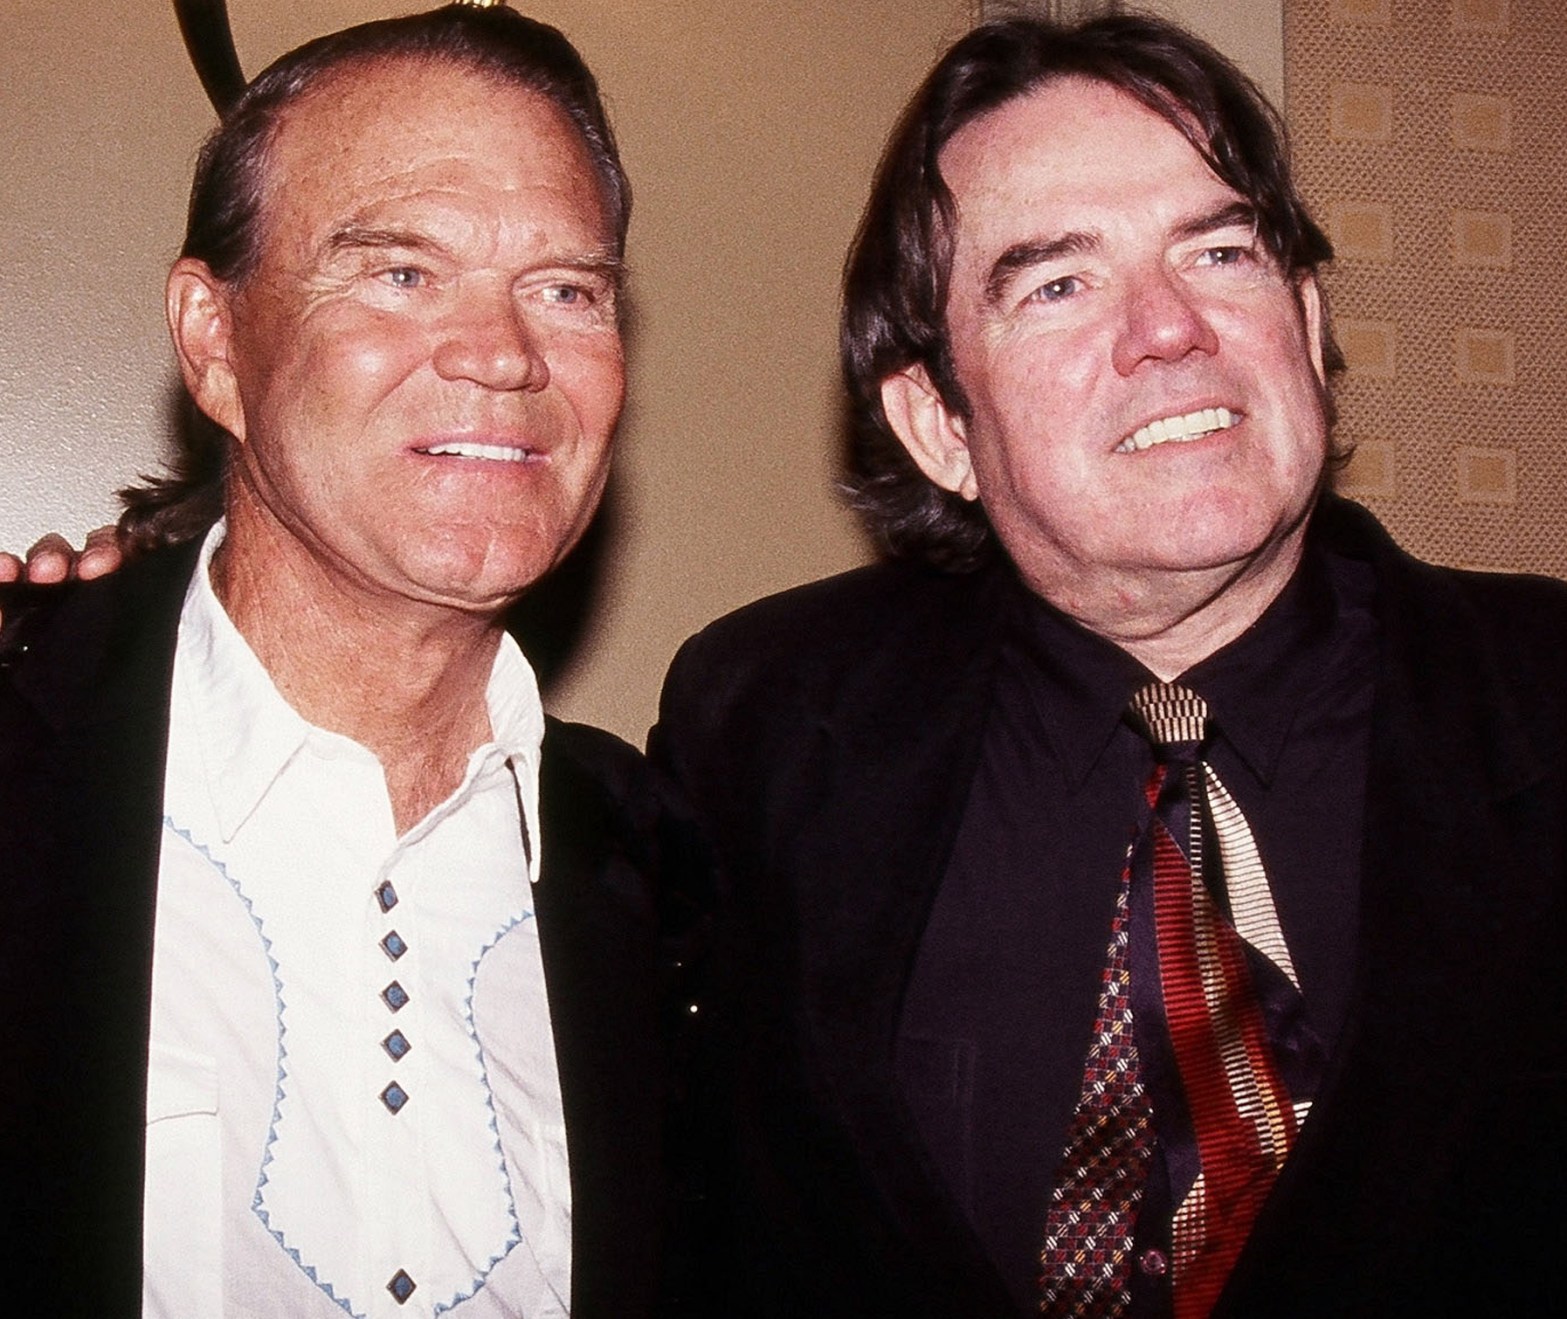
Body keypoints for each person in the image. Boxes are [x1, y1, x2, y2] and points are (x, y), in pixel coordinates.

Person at [652, 13, 1567, 1318]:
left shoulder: (1547, 705)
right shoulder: (763, 731)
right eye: (1058, 284)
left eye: (1222, 250)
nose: (1171, 330)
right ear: (939, 424)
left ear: (1305, 322)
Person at [0, 6, 706, 1317]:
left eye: (566, 290)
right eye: (399, 273)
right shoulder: (26, 755)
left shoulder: (676, 883)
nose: (503, 354)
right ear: (216, 341)